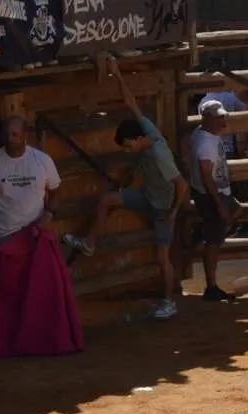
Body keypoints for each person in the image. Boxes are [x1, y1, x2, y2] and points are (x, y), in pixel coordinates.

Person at [63, 57, 188, 320]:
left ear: (137, 139)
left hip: (163, 208)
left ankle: (169, 302)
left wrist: (173, 213)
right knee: (107, 199)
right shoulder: (146, 129)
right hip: (147, 195)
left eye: (129, 146)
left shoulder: (160, 156)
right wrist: (117, 73)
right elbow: (130, 101)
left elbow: (182, 186)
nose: (128, 150)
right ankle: (89, 243)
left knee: (162, 257)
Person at [0, 116, 83, 359]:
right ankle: (7, 345)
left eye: (15, 135)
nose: (10, 139)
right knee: (7, 296)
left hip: (36, 235)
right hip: (5, 235)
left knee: (41, 293)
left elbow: (56, 192)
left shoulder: (42, 160)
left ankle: (40, 343)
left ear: (25, 135)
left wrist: (49, 214)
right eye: (7, 135)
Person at [190, 100, 241, 301]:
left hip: (215, 193)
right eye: (218, 117)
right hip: (213, 196)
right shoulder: (206, 143)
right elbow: (206, 176)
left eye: (222, 116)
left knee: (231, 216)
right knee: (213, 242)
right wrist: (219, 204)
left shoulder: (203, 134)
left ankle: (203, 234)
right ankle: (211, 287)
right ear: (206, 118)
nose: (222, 120)